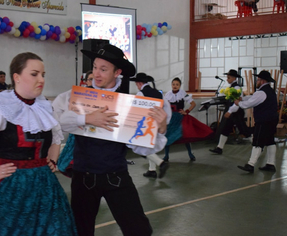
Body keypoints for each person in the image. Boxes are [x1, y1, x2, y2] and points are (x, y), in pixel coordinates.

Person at [0, 52, 77, 235]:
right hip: (10, 186)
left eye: (43, 74)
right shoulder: (0, 110)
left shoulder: (44, 107)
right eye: (34, 74)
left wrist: (52, 159)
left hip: (45, 187)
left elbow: (55, 138)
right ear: (17, 77)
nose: (41, 79)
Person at [54, 44, 167, 236]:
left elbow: (141, 148)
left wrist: (161, 128)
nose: (97, 74)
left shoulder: (130, 104)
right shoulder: (76, 97)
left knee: (139, 229)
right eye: (95, 67)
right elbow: (56, 123)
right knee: (81, 231)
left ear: (118, 72)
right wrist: (87, 118)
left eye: (103, 69)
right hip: (83, 177)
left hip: (116, 176)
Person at [130, 72, 171, 179]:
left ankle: (161, 163)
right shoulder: (158, 93)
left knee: (140, 147)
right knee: (149, 146)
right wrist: (164, 122)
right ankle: (151, 170)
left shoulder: (141, 94)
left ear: (139, 83)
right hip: (156, 123)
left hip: (145, 124)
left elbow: (135, 111)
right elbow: (167, 108)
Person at [235, 71, 278, 173]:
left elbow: (250, 103)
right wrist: (243, 98)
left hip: (264, 120)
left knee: (257, 142)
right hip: (272, 119)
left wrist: (239, 103)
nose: (257, 81)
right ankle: (270, 164)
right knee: (270, 141)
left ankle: (251, 164)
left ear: (262, 81)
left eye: (258, 79)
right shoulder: (271, 91)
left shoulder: (261, 92)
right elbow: (253, 98)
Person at [163, 77, 213, 162]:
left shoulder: (183, 93)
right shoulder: (167, 94)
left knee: (186, 134)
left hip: (180, 116)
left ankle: (190, 153)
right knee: (167, 135)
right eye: (173, 84)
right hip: (171, 118)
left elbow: (193, 104)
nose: (175, 86)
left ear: (180, 86)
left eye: (177, 84)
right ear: (171, 85)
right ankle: (166, 155)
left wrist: (186, 111)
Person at [210, 69, 251, 155]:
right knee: (225, 129)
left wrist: (230, 111)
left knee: (244, 131)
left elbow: (236, 102)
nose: (227, 79)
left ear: (233, 78)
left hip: (236, 113)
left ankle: (257, 145)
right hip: (231, 112)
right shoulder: (232, 87)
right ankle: (219, 148)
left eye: (228, 77)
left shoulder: (237, 88)